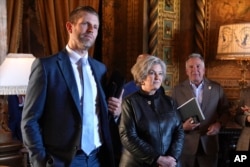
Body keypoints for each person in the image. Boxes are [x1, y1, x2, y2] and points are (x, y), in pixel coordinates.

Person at [21, 6, 122, 167]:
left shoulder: (100, 69)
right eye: (85, 24)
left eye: (95, 27)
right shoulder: (47, 67)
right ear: (70, 27)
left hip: (97, 158)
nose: (91, 30)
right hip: (63, 160)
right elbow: (30, 121)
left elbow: (99, 115)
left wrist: (116, 113)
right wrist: (40, 162)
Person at [119, 55, 184, 167]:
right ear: (141, 76)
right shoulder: (129, 102)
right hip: (137, 163)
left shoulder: (169, 102)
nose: (157, 77)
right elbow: (128, 136)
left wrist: (172, 157)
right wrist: (157, 159)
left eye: (160, 73)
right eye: (152, 73)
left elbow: (179, 130)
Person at [171, 53, 229, 167]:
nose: (195, 70)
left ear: (204, 69)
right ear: (186, 71)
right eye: (191, 67)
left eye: (198, 66)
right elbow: (171, 117)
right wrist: (182, 127)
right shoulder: (177, 90)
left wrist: (219, 124)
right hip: (186, 147)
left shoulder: (217, 88)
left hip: (209, 145)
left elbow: (226, 111)